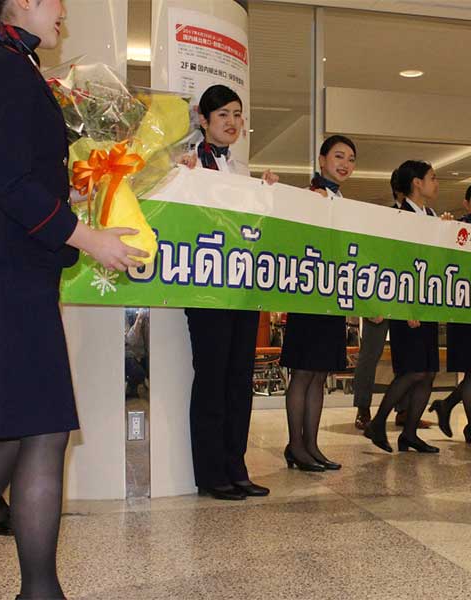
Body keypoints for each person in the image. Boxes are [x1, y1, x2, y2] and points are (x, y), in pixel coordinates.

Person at [0, 1, 147, 599]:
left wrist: (70, 188)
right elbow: (10, 184)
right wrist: (89, 237)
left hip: (9, 264)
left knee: (33, 427)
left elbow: (11, 174)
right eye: (50, 0)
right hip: (1, 267)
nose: (61, 10)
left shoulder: (8, 62)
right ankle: (20, 585)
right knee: (37, 426)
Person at [183, 84, 278, 501]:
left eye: (237, 114)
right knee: (212, 378)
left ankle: (237, 467)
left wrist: (268, 194)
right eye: (222, 114)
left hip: (242, 288)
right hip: (205, 290)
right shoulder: (185, 164)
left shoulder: (242, 172)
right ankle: (210, 472)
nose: (232, 122)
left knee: (240, 380)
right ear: (203, 120)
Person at [280, 135, 357, 472]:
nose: (345, 164)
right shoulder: (311, 196)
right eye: (338, 156)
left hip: (330, 295)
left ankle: (310, 445)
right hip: (308, 294)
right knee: (303, 372)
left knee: (319, 373)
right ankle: (296, 445)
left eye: (351, 159)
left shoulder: (340, 199)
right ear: (322, 159)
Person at [364, 160, 442, 454]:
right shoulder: (398, 217)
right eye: (432, 178)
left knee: (429, 371)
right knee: (411, 371)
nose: (437, 183)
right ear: (417, 183)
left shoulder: (432, 216)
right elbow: (394, 265)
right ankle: (378, 421)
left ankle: (409, 432)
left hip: (428, 304)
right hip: (406, 306)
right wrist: (406, 306)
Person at [351, 168, 432, 431]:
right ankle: (364, 409)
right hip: (381, 296)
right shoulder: (387, 217)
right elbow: (371, 257)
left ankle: (404, 410)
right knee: (371, 353)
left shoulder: (425, 216)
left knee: (405, 355)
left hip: (408, 297)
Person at [429, 182, 471, 446]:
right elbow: (440, 259)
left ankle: (446, 404)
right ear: (467, 203)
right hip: (462, 307)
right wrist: (444, 228)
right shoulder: (459, 229)